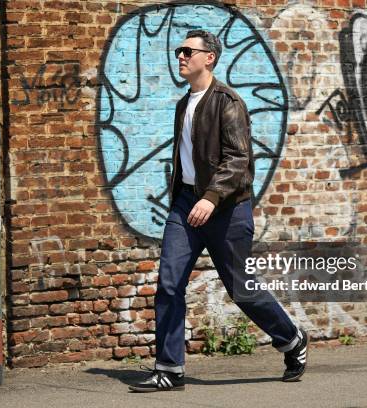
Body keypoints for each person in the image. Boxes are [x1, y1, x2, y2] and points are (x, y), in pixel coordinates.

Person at [128, 30, 308, 392]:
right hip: (187, 205)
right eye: (179, 51)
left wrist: (211, 197)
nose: (180, 56)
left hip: (226, 207)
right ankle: (169, 369)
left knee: (241, 289)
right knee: (169, 282)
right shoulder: (184, 104)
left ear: (208, 57)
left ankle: (291, 339)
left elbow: (238, 158)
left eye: (187, 51)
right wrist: (189, 197)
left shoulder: (227, 101)